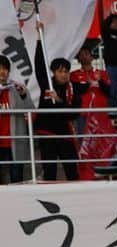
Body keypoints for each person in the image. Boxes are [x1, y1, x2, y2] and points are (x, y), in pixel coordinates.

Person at [37, 58, 82, 182]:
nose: (63, 74)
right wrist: (39, 42)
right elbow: (39, 67)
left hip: (65, 135)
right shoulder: (46, 85)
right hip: (47, 135)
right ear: (53, 72)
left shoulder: (73, 89)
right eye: (60, 71)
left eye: (66, 71)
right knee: (50, 171)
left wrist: (59, 101)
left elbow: (74, 112)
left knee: (72, 170)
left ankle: (76, 199)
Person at [0, 55, 31, 183]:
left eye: (5, 68)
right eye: (0, 68)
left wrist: (24, 95)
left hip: (15, 140)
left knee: (17, 176)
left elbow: (31, 110)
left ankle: (18, 202)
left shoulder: (17, 88)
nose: (2, 71)